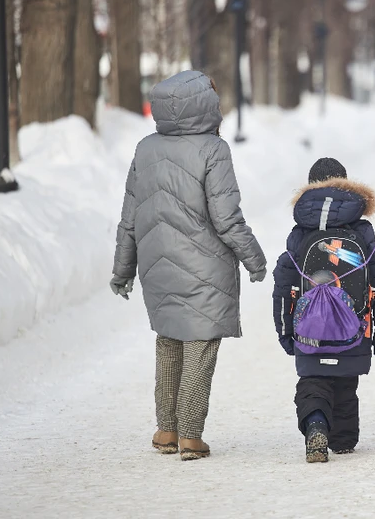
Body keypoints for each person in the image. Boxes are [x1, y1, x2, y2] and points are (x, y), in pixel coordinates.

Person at [110, 70, 267, 461]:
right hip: (205, 266)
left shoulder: (145, 148)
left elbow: (130, 216)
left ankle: (166, 429)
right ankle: (191, 436)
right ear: (204, 106)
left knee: (168, 342)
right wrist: (254, 258)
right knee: (200, 344)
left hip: (156, 265)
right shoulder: (214, 150)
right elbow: (226, 218)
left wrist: (122, 269)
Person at [273, 158, 375, 463]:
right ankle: (342, 439)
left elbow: (282, 288)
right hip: (353, 329)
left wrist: (285, 330)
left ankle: (316, 424)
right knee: (345, 383)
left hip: (308, 331)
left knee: (312, 382)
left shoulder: (299, 233)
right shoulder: (363, 233)